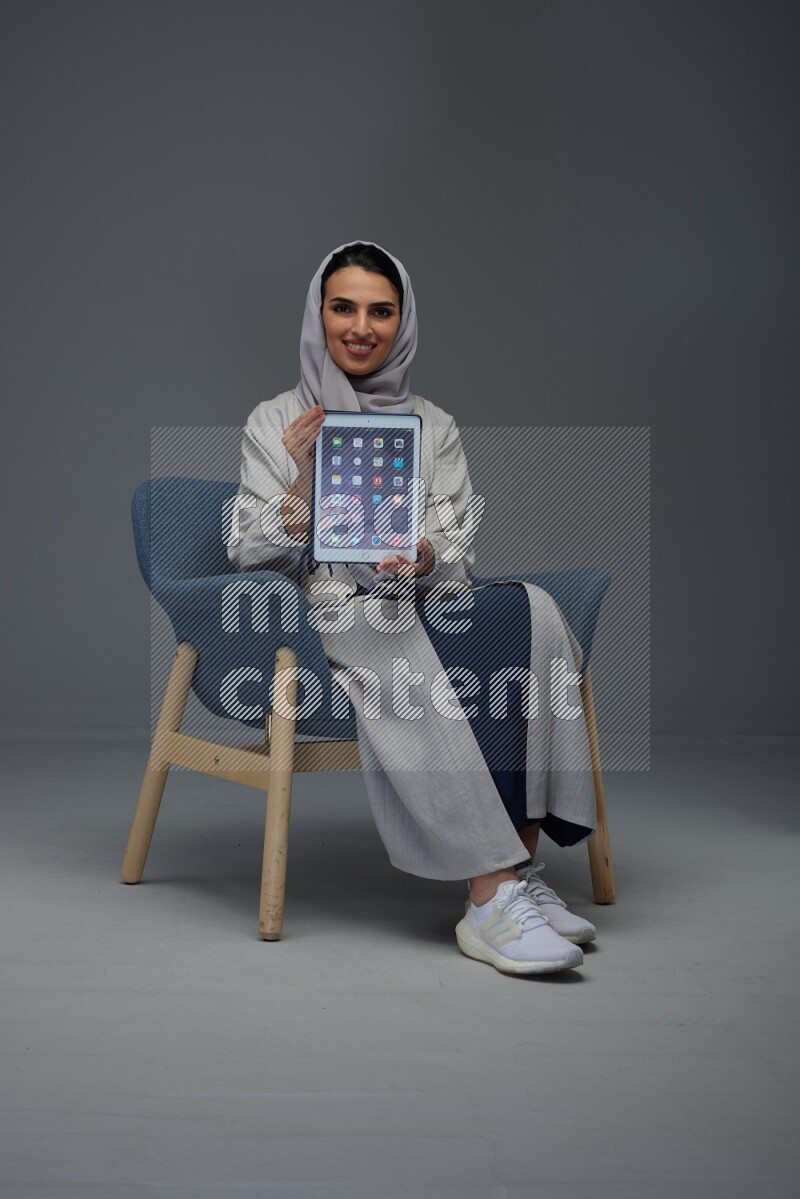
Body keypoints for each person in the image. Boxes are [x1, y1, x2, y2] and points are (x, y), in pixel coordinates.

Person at [229, 241, 599, 976]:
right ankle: (490, 899)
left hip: (424, 595)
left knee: (533, 613)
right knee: (403, 643)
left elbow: (456, 538)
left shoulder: (434, 422)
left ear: (402, 321)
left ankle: (520, 868)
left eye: (380, 310)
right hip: (334, 613)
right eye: (343, 307)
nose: (360, 326)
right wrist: (304, 480)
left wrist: (426, 555)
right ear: (319, 314)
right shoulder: (276, 418)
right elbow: (246, 549)